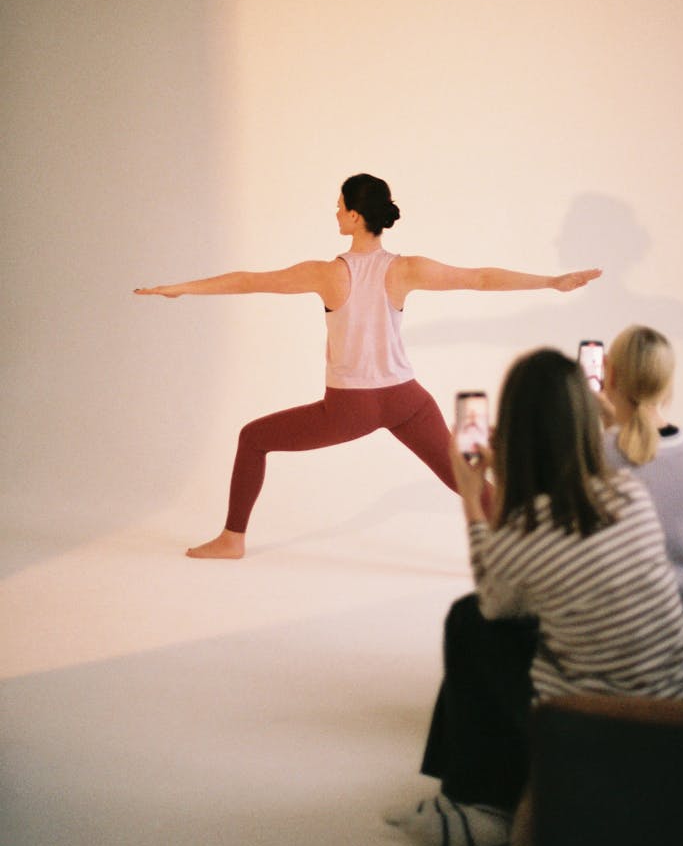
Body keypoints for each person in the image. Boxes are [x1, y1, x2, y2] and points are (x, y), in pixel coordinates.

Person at [135, 174, 601, 558]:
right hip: (407, 400)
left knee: (252, 438)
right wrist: (552, 281)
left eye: (339, 206)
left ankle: (232, 539)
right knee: (465, 477)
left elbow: (248, 282)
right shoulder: (406, 268)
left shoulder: (327, 273)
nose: (335, 213)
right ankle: (540, 537)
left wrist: (181, 288)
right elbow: (479, 278)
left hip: (350, 408)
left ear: (356, 217)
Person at [387, 348, 683, 846]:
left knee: (471, 620)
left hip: (595, 724)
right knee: (486, 617)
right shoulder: (627, 491)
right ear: (586, 422)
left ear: (510, 429)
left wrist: (472, 492)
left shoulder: (525, 532)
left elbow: (495, 601)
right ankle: (463, 789)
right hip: (680, 712)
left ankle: (482, 804)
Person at [599, 325, 683, 621]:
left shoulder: (599, 451)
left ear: (611, 374)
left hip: (617, 618)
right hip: (681, 610)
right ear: (667, 381)